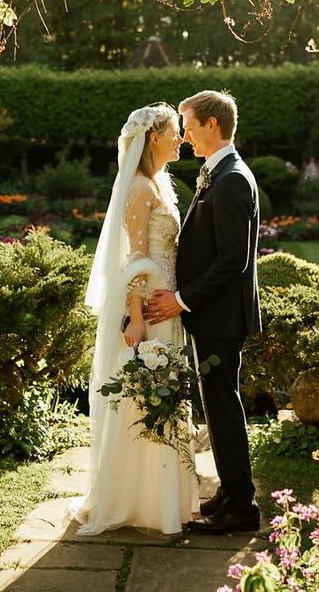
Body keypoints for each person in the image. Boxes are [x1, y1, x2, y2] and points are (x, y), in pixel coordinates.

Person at [69, 104, 199, 536]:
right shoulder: (140, 188)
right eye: (175, 132)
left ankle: (163, 499)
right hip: (150, 310)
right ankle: (137, 500)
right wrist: (137, 317)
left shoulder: (160, 183)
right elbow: (135, 259)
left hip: (168, 306)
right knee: (143, 398)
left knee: (160, 395)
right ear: (154, 139)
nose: (180, 139)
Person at [144, 90, 262, 534]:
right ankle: (231, 493)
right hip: (215, 314)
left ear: (212, 125)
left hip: (220, 315)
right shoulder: (220, 172)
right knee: (217, 404)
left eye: (189, 125)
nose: (185, 134)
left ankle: (242, 507)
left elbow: (233, 260)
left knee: (223, 406)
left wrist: (181, 299)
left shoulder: (231, 178)